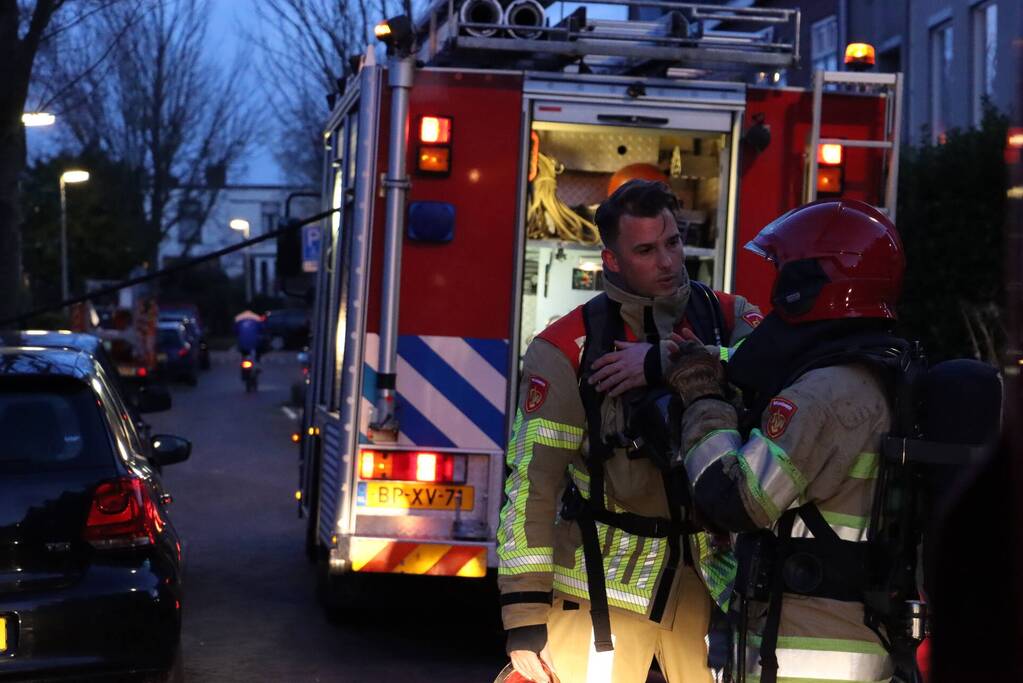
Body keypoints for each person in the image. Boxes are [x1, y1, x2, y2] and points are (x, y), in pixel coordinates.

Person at [498, 180, 762, 683]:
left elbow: (790, 381)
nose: (667, 262)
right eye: (645, 249)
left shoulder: (732, 320)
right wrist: (525, 615)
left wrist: (672, 363)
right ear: (611, 260)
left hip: (711, 592)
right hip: (599, 598)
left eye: (673, 242)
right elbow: (532, 486)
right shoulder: (565, 349)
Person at [666, 199, 907, 683]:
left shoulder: (822, 396)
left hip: (805, 656)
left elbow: (732, 500)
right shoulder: (873, 372)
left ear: (814, 285)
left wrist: (703, 401)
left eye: (786, 273)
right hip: (849, 643)